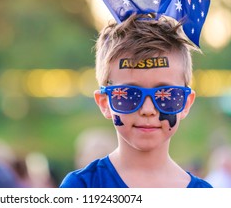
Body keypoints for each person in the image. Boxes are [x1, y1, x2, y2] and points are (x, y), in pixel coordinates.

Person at [60, 14, 212, 188]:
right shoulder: (82, 186)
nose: (148, 109)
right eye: (129, 95)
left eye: (166, 95)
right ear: (104, 103)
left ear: (185, 103)